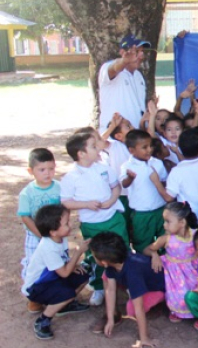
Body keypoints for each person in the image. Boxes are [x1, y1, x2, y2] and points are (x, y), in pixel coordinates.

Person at [61, 131, 128, 307]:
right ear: (81, 154)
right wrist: (86, 204)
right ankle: (99, 286)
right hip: (91, 224)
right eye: (93, 146)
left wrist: (112, 200)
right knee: (95, 256)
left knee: (122, 249)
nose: (98, 147)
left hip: (113, 218)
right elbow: (66, 202)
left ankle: (127, 282)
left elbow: (116, 187)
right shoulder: (71, 177)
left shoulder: (104, 168)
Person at [22, 205, 90, 340]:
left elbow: (63, 260)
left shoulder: (60, 238)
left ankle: (64, 306)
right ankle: (43, 320)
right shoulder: (48, 247)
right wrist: (79, 252)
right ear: (53, 232)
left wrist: (72, 264)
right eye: (66, 223)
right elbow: (64, 274)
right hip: (36, 288)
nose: (71, 224)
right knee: (68, 293)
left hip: (52, 278)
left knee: (83, 275)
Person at [90, 232, 165, 347]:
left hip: (158, 287)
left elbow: (138, 307)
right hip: (137, 280)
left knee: (132, 309)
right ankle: (119, 309)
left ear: (104, 262)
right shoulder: (113, 264)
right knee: (106, 277)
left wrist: (144, 338)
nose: (93, 257)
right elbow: (110, 290)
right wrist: (110, 319)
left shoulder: (133, 272)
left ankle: (158, 301)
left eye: (94, 256)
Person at [144, 201, 198, 322]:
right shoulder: (166, 239)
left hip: (193, 271)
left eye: (168, 221)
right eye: (164, 221)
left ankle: (196, 311)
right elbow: (147, 249)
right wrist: (154, 255)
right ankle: (176, 311)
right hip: (175, 274)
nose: (164, 225)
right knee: (179, 297)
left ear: (182, 222)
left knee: (197, 291)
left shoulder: (196, 234)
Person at [18, 148, 61, 291]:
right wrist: (41, 235)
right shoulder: (27, 193)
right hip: (35, 234)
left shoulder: (59, 188)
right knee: (33, 261)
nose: (47, 173)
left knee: (57, 259)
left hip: (56, 233)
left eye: (51, 168)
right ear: (31, 171)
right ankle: (31, 290)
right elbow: (25, 217)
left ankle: (54, 289)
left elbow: (63, 210)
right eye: (41, 169)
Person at [119, 130, 169, 253]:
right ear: (131, 150)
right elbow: (124, 184)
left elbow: (164, 181)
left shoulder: (157, 163)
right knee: (142, 243)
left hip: (161, 210)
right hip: (142, 213)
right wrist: (130, 178)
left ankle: (164, 267)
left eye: (150, 146)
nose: (149, 150)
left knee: (165, 242)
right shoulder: (126, 166)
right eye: (144, 147)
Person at [98, 35, 148, 132]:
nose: (141, 55)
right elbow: (114, 68)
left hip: (135, 137)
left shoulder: (138, 76)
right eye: (137, 52)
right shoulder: (108, 67)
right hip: (114, 137)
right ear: (122, 52)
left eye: (142, 51)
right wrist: (124, 61)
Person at [162, 128, 198, 223]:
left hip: (187, 219)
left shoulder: (176, 171)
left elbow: (169, 197)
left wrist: (156, 181)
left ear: (180, 147)